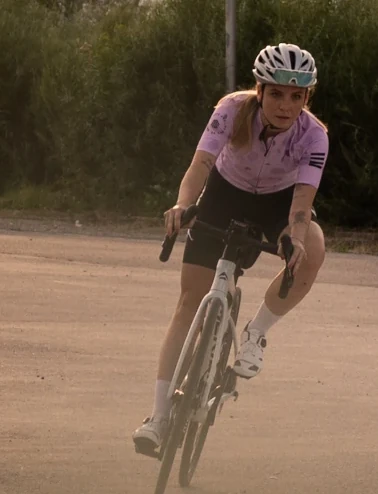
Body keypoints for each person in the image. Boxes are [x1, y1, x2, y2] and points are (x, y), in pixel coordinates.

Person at [132, 42, 329, 457]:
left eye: (296, 96)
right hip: (225, 195)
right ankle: (158, 417)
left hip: (277, 204)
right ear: (260, 90)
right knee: (189, 303)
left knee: (313, 243)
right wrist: (183, 205)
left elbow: (302, 201)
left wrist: (293, 237)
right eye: (276, 93)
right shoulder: (231, 110)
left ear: (306, 97)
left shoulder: (314, 136)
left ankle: (256, 332)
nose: (286, 105)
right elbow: (200, 165)